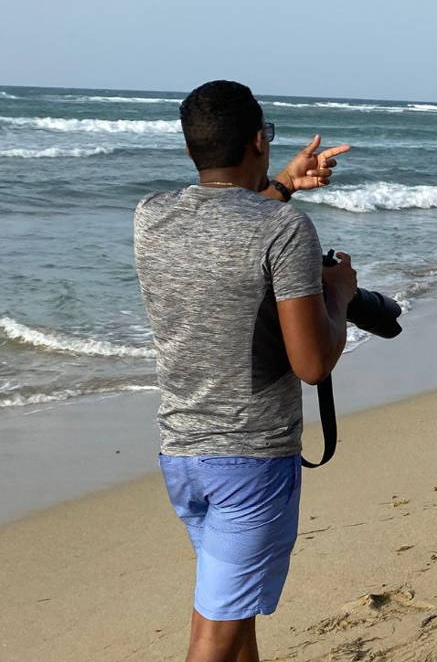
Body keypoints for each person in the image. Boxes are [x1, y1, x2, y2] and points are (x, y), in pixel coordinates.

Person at [133, 80, 354, 662]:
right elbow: (311, 363)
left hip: (181, 455)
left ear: (191, 150)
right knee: (213, 636)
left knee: (235, 614)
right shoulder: (284, 230)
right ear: (259, 139)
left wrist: (281, 183)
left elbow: (225, 229)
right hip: (250, 463)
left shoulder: (151, 217)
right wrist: (340, 299)